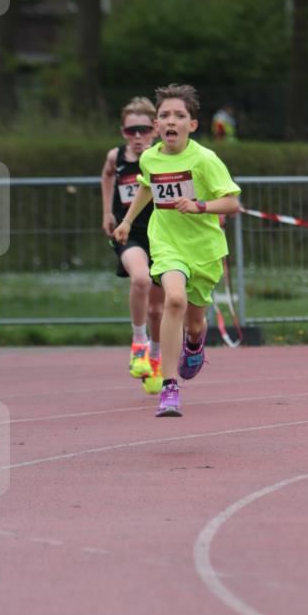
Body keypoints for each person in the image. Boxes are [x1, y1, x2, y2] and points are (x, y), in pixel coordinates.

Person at [114, 84, 241, 417]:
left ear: (192, 125)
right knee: (173, 300)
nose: (171, 121)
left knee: (195, 323)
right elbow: (146, 186)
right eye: (165, 115)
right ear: (157, 125)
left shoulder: (205, 159)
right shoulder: (151, 157)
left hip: (204, 249)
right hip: (167, 243)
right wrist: (127, 221)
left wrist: (200, 206)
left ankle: (195, 343)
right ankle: (169, 387)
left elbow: (231, 203)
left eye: (179, 116)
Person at [101, 97, 164, 392]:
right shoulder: (117, 156)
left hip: (163, 236)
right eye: (130, 131)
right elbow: (107, 175)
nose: (137, 137)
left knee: (158, 310)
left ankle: (155, 357)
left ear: (154, 129)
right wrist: (107, 212)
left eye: (142, 130)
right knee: (140, 279)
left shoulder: (165, 157)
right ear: (123, 133)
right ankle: (139, 342)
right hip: (130, 234)